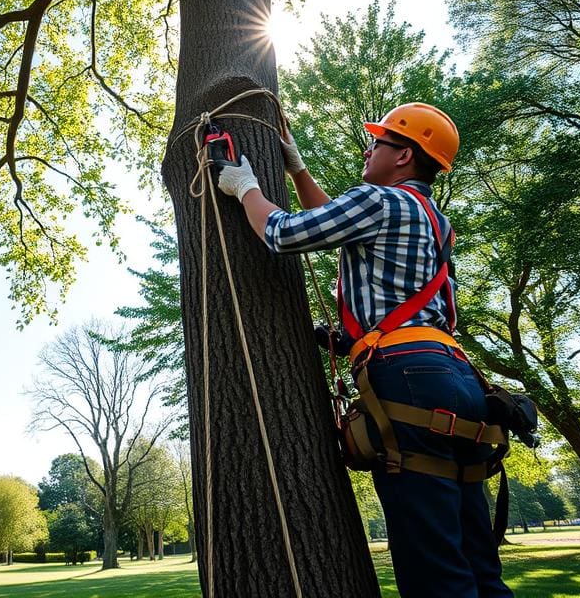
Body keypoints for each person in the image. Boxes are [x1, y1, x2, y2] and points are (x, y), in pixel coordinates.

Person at [216, 102, 512, 598]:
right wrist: (297, 168)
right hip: (458, 379)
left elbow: (283, 233)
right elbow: (340, 225)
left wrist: (246, 189)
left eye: (379, 142)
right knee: (479, 565)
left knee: (436, 573)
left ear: (403, 157)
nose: (368, 148)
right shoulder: (435, 222)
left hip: (408, 377)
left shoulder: (378, 200)